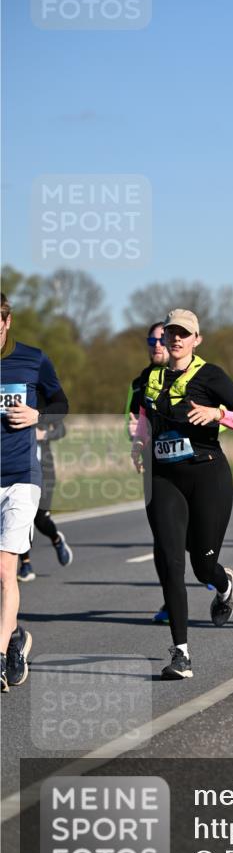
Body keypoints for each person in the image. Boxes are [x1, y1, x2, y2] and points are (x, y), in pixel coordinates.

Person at [131, 308, 233, 680]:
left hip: (207, 475)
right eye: (171, 332)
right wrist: (139, 443)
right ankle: (181, 654)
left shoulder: (211, 375)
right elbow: (143, 418)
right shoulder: (150, 377)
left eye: (183, 333)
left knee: (202, 566)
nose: (176, 338)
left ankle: (223, 583)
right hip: (163, 478)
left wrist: (218, 414)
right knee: (170, 560)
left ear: (196, 339)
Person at [0, 292, 69, 691]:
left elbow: (61, 402)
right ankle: (14, 638)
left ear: (6, 322)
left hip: (20, 478)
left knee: (6, 570)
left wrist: (37, 415)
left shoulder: (32, 359)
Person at [125, 322, 171, 622]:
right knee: (162, 538)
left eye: (162, 340)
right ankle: (170, 602)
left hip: (190, 465)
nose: (157, 346)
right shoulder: (139, 382)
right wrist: (136, 440)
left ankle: (210, 569)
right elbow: (132, 421)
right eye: (152, 341)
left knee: (192, 537)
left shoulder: (191, 375)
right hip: (155, 467)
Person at [17, 397, 72, 581]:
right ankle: (25, 565)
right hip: (21, 472)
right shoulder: (12, 403)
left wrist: (45, 435)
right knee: (20, 519)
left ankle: (56, 539)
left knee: (40, 519)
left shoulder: (42, 402)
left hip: (44, 472)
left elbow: (61, 429)